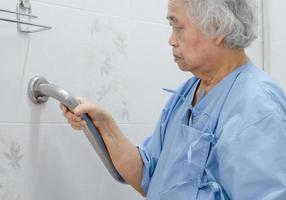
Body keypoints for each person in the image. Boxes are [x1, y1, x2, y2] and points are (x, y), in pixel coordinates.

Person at [60, 0, 286, 199]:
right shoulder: (188, 93)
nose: (171, 40)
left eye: (178, 27)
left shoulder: (256, 106)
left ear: (218, 28)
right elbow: (148, 177)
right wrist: (104, 124)